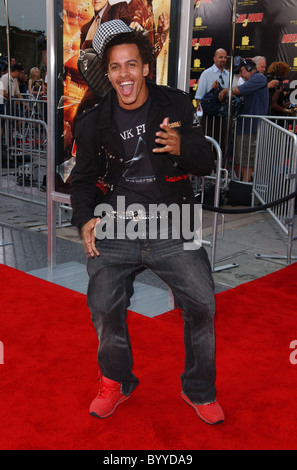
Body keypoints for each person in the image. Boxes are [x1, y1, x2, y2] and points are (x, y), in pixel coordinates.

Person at [70, 20, 224, 425]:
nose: (125, 74)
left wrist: (182, 147)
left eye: (132, 65)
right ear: (108, 73)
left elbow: (205, 162)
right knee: (104, 305)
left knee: (203, 304)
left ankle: (199, 390)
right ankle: (116, 382)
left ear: (145, 68)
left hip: (172, 222)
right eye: (116, 67)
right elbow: (83, 180)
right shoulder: (90, 121)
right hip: (117, 225)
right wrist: (84, 218)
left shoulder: (174, 104)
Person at [219, 59, 269, 182]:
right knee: (239, 158)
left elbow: (238, 90)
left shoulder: (259, 78)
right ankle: (241, 183)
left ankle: (244, 187)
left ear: (249, 68)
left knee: (247, 159)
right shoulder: (253, 81)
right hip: (243, 126)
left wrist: (226, 90)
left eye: (242, 71)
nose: (240, 75)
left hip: (251, 127)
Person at [195, 48, 229, 112]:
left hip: (224, 114)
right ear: (214, 59)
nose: (223, 60)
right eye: (221, 57)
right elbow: (199, 96)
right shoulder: (206, 73)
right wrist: (200, 115)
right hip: (209, 114)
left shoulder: (229, 75)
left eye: (225, 57)